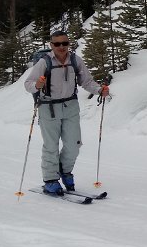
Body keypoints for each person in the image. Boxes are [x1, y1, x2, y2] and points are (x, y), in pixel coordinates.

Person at [24, 31, 110, 195]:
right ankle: (50, 180)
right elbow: (28, 84)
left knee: (74, 144)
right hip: (48, 108)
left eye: (65, 43)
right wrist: (38, 85)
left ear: (69, 43)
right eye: (57, 44)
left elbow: (86, 81)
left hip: (70, 106)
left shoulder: (75, 60)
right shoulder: (44, 62)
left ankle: (64, 171)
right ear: (51, 45)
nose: (62, 47)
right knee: (51, 146)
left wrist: (99, 90)